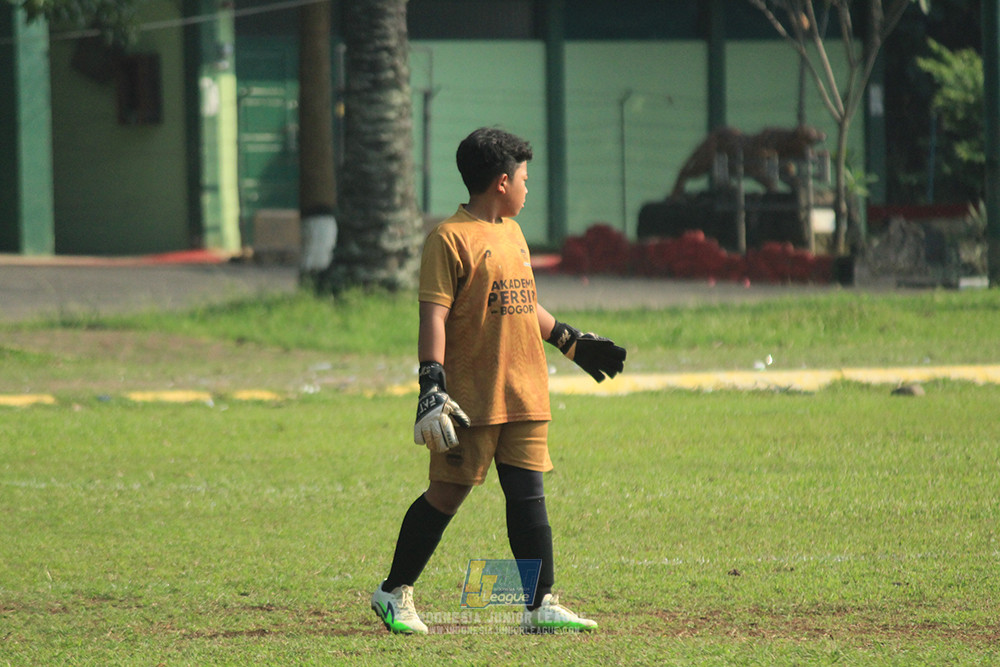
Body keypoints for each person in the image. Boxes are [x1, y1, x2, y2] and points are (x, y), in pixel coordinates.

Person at [370, 127, 626, 635]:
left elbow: (522, 304)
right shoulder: (449, 239)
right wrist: (431, 385)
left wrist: (571, 340)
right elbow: (434, 315)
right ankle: (394, 591)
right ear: (502, 182)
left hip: (525, 390)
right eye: (525, 179)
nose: (528, 188)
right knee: (447, 495)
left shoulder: (512, 231)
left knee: (528, 494)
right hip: (472, 398)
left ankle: (540, 604)